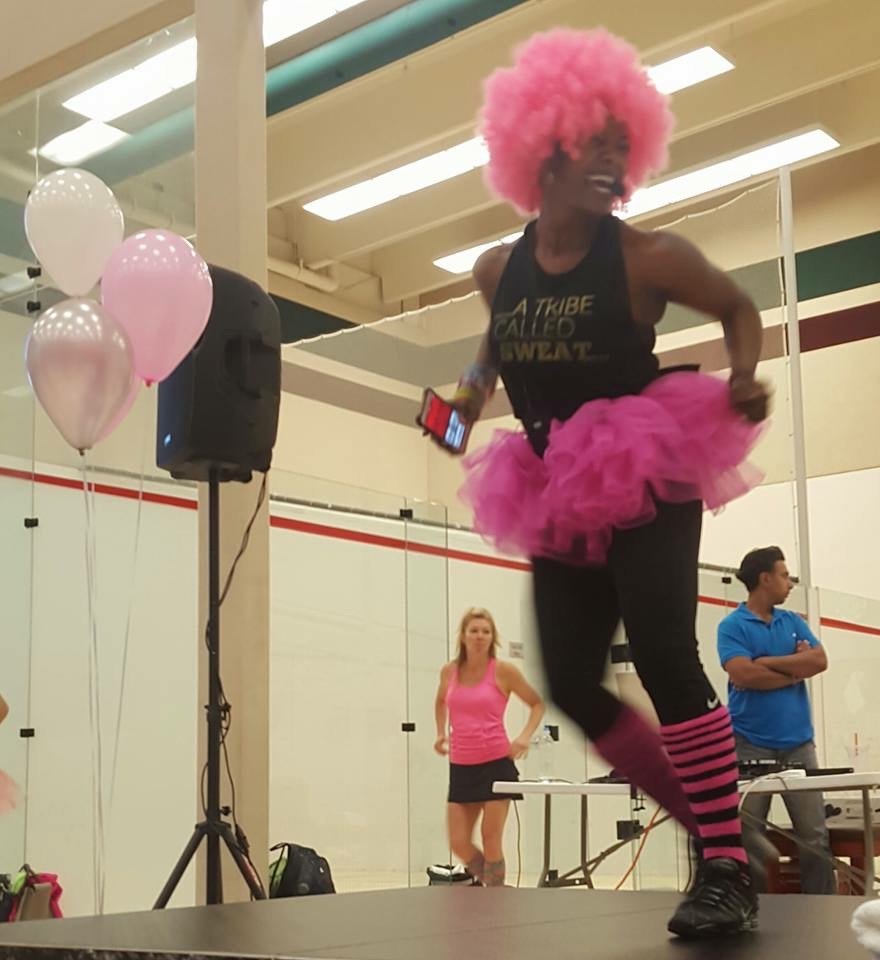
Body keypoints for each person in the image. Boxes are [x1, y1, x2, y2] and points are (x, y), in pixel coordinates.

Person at [431, 28, 771, 938]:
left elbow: (740, 307)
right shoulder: (495, 270)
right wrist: (458, 413)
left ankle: (726, 869)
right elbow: (493, 357)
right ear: (542, 146)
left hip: (646, 464)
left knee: (663, 652)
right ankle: (719, 826)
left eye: (626, 146)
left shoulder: (646, 256)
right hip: (553, 482)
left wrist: (741, 375)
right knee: (574, 682)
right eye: (598, 141)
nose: (616, 161)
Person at [718, 546, 833, 894]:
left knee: (814, 836)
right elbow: (742, 674)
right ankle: (752, 910)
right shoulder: (731, 626)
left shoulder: (793, 621)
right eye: (784, 575)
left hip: (799, 747)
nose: (789, 583)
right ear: (765, 579)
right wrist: (793, 670)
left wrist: (766, 661)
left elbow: (819, 661)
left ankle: (822, 910)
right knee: (748, 835)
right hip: (748, 746)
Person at [434, 607, 544, 886]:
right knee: (458, 842)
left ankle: (494, 899)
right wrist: (440, 733)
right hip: (461, 765)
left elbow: (537, 703)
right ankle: (495, 888)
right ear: (463, 635)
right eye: (474, 630)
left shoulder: (504, 671)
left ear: (492, 637)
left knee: (490, 838)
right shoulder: (449, 672)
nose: (480, 636)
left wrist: (523, 737)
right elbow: (440, 702)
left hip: (496, 765)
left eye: (486, 631)